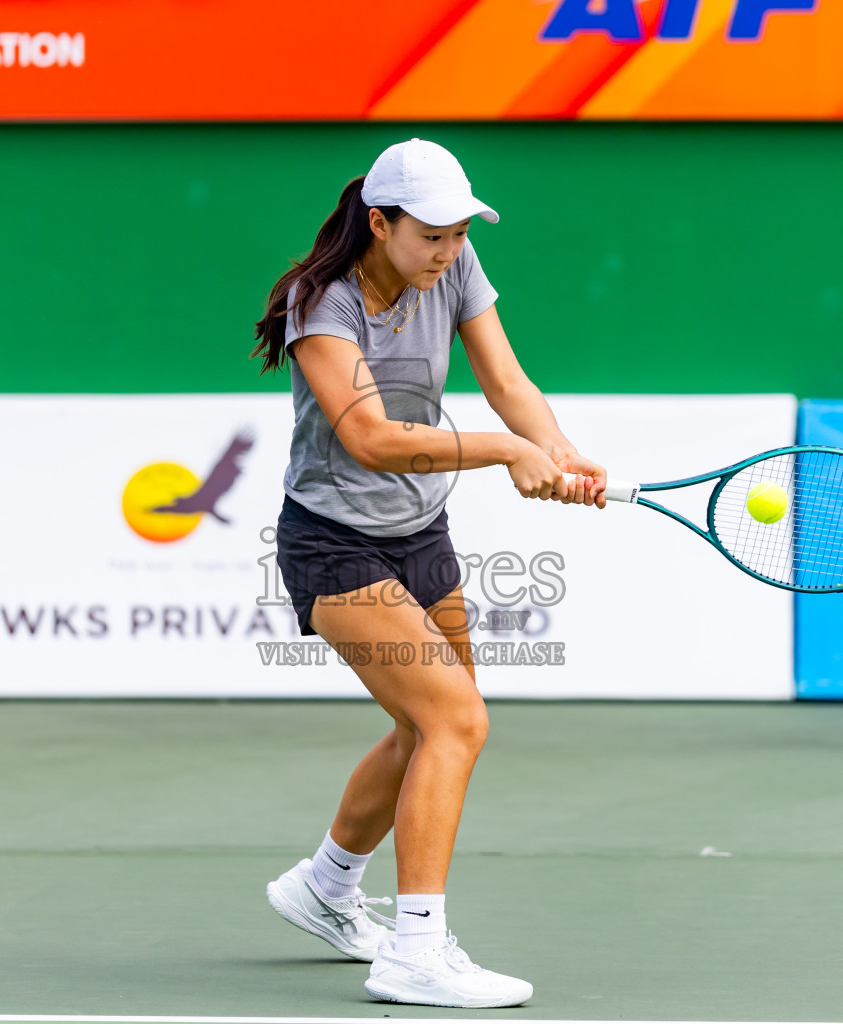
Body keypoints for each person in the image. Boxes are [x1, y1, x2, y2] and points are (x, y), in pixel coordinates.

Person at [250, 138, 607, 1009]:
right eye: (432, 235)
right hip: (334, 543)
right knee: (458, 719)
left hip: (421, 533)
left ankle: (327, 887)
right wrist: (501, 452)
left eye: (459, 233)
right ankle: (415, 950)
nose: (449, 249)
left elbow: (507, 378)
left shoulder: (452, 263)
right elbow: (372, 441)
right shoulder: (320, 306)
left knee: (426, 730)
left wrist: (555, 451)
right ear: (380, 224)